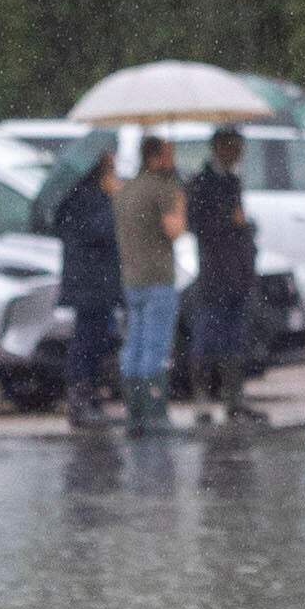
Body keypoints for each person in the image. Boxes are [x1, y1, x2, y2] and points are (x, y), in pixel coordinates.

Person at [37, 135, 126, 427]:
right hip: (88, 281)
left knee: (98, 339)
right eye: (110, 156)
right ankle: (80, 398)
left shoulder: (88, 194)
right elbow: (100, 231)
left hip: (97, 280)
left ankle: (91, 395)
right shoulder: (83, 196)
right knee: (86, 339)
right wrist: (113, 200)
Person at [110, 135, 189, 433]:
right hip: (158, 278)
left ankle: (135, 411)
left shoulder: (126, 190)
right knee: (156, 346)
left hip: (131, 278)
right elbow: (175, 230)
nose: (174, 160)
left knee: (134, 345)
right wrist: (180, 202)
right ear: (155, 157)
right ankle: (154, 413)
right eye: (169, 154)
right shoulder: (163, 188)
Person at [184, 125, 264, 415]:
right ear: (221, 147)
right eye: (234, 147)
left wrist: (244, 229)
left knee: (235, 337)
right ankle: (203, 397)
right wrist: (231, 222)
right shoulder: (202, 182)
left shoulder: (232, 181)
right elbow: (197, 225)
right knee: (207, 336)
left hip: (237, 274)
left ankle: (234, 397)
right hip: (214, 273)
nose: (239, 154)